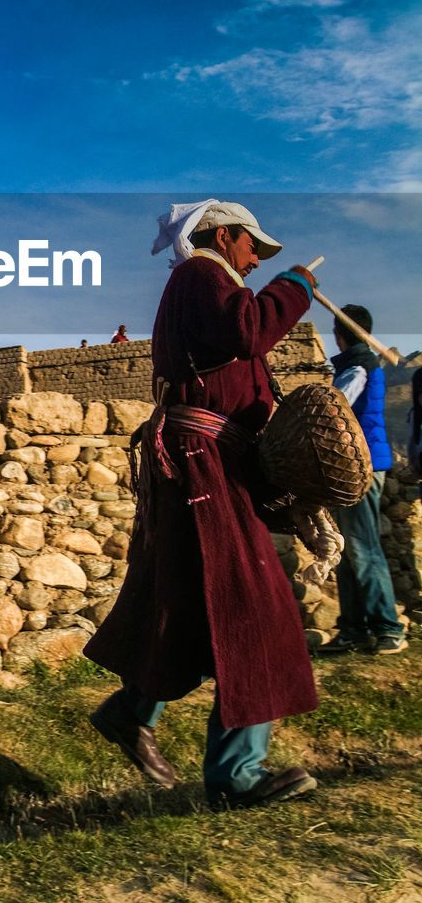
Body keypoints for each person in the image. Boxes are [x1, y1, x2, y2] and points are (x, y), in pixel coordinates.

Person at [84, 199, 320, 808]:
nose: (254, 258)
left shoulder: (209, 288)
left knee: (188, 599)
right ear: (224, 235)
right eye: (250, 247)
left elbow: (238, 355)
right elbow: (248, 330)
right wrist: (293, 286)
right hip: (202, 462)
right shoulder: (203, 275)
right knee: (255, 609)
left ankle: (132, 710)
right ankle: (237, 776)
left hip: (207, 460)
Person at [320, 306, 407, 656]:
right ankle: (354, 628)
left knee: (362, 549)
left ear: (340, 335)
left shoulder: (357, 369)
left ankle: (388, 627)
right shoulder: (363, 365)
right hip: (358, 466)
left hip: (361, 467)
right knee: (350, 551)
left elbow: (333, 408)